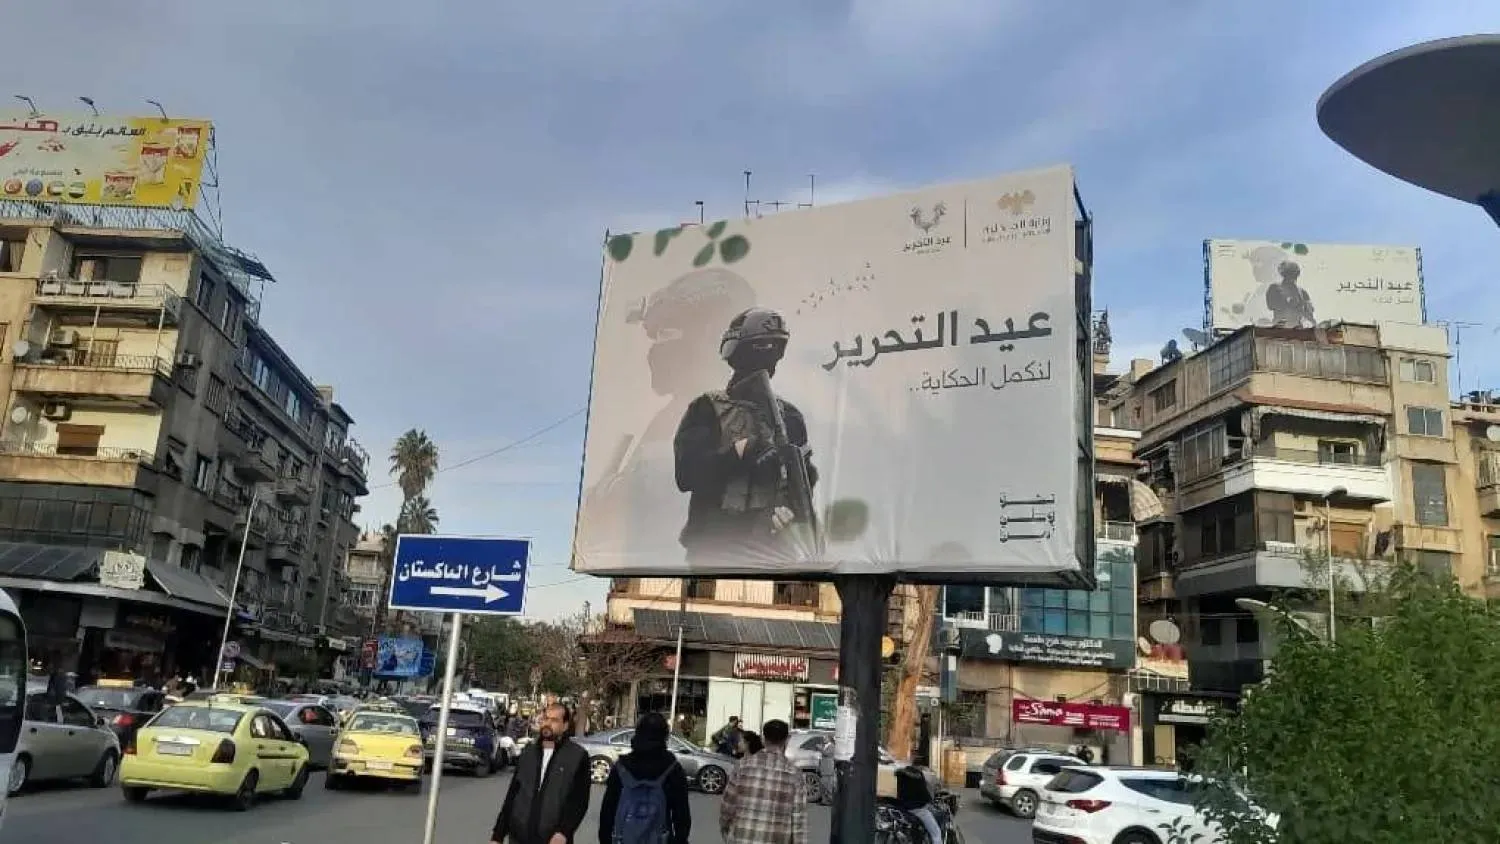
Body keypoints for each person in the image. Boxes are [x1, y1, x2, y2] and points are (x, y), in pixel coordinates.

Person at [673, 307, 819, 566]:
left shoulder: (790, 417)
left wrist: (789, 510)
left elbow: (804, 479)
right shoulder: (707, 408)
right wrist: (738, 453)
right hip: (717, 546)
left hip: (773, 548)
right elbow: (686, 475)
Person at [491, 704, 591, 844]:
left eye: (554, 720)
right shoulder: (528, 753)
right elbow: (512, 795)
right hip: (519, 838)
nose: (548, 724)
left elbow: (579, 801)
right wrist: (497, 836)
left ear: (565, 726)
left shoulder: (577, 757)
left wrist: (564, 832)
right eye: (545, 719)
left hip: (553, 839)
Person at [597, 712, 691, 844]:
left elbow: (608, 810)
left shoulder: (621, 767)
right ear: (664, 736)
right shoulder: (672, 768)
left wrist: (605, 839)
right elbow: (681, 814)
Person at [719, 719, 807, 844]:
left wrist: (726, 829)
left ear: (763, 739)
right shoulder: (795, 774)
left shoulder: (742, 766)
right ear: (787, 740)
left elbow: (727, 806)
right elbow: (798, 820)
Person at [1264, 260, 1315, 328]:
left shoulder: (1302, 292)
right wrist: (1287, 301)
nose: (1291, 278)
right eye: (1289, 274)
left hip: (1297, 329)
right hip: (1281, 328)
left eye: (1293, 274)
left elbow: (1309, 315)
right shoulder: (1275, 288)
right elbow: (1271, 305)